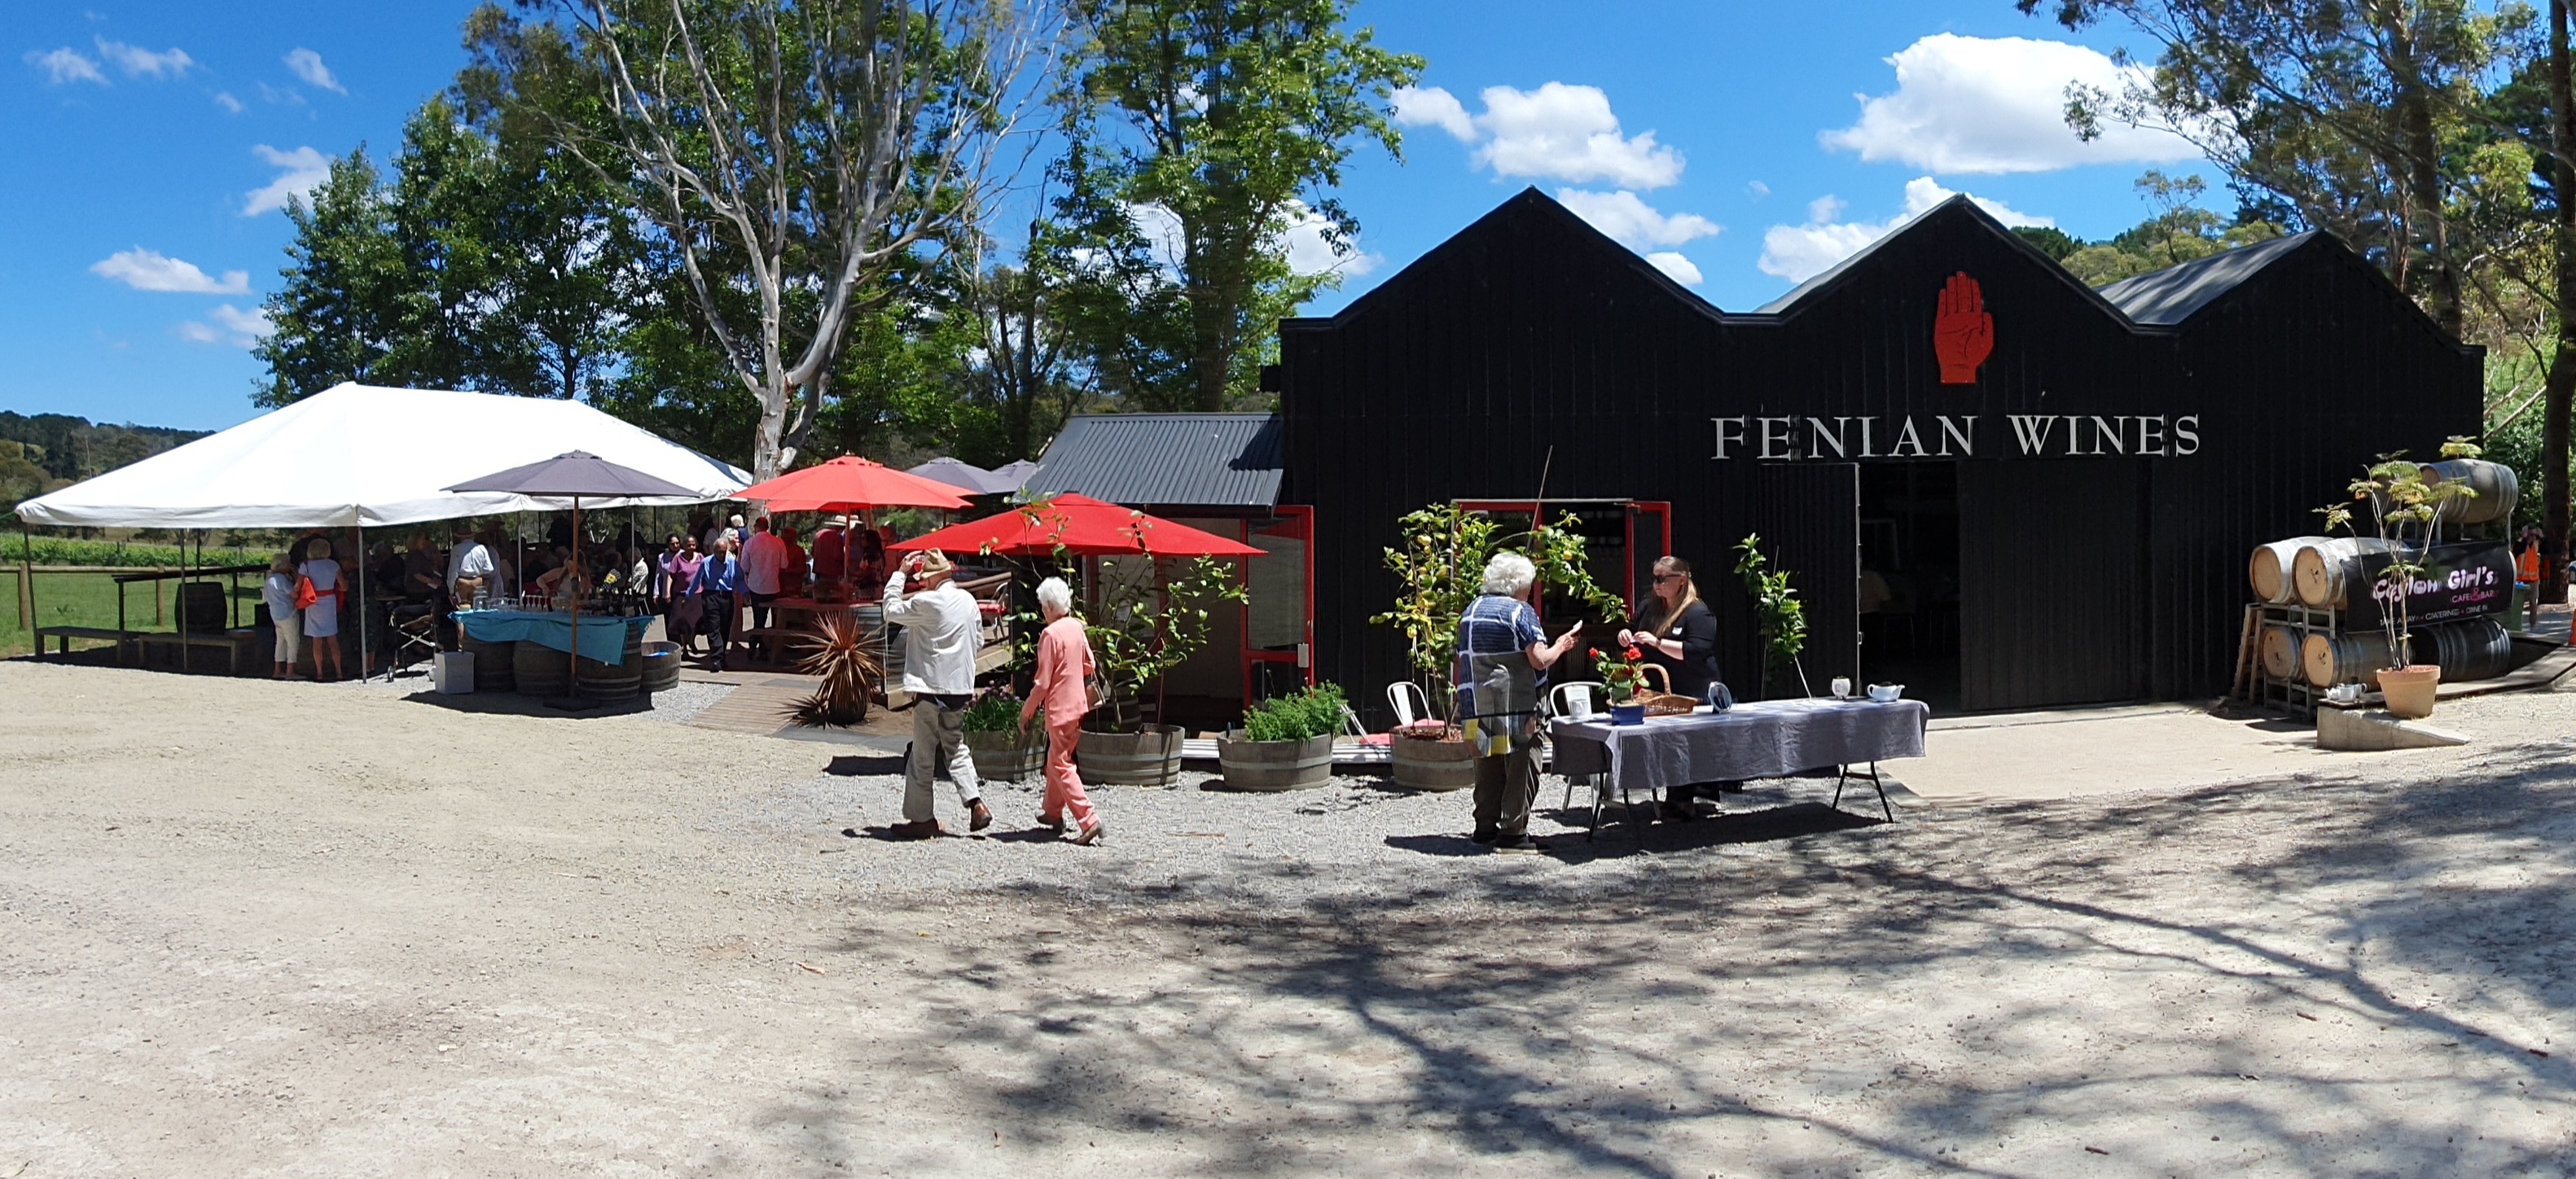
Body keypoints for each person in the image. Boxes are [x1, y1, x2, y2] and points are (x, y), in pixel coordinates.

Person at [1455, 551, 1583, 852]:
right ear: (1518, 584)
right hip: (1516, 703)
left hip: (1477, 700)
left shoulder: (1472, 610)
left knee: (1487, 765)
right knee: (1522, 766)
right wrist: (1562, 645)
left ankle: (1484, 827)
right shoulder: (1520, 611)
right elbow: (1540, 660)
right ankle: (1513, 833)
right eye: (1529, 585)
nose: (1531, 591)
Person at [884, 548, 992, 838]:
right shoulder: (968, 601)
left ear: (930, 579)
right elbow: (979, 641)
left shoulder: (927, 602)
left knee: (922, 755)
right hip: (959, 688)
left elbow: (890, 610)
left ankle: (922, 819)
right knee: (956, 747)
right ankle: (976, 803)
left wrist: (900, 574)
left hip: (929, 687)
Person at [1619, 555, 1726, 822]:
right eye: (1654, 578)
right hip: (1661, 690)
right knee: (1667, 744)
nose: (1656, 584)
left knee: (1686, 744)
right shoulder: (1649, 607)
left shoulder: (1697, 612)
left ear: (1681, 581)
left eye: (1662, 578)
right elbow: (1632, 631)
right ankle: (1675, 797)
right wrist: (1625, 635)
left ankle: (1683, 801)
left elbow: (1697, 650)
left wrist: (1656, 643)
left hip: (1692, 689)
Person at [1020, 576, 1102, 845]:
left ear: (1050, 607)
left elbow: (1042, 684)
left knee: (1060, 763)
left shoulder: (1050, 635)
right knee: (1057, 758)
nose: (1042, 610)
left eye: (1043, 606)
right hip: (1078, 705)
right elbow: (1090, 665)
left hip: (1059, 709)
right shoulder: (1077, 627)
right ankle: (1052, 812)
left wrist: (1026, 711)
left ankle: (1088, 820)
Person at [298, 537, 346, 682]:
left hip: (313, 602)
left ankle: (319, 673)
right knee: (333, 640)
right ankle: (339, 672)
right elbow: (344, 586)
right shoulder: (334, 565)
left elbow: (298, 586)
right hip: (329, 602)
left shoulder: (306, 565)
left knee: (317, 641)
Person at [691, 534, 741, 669]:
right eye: (719, 552)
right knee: (713, 627)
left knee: (725, 627)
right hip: (711, 595)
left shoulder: (732, 562)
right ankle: (716, 659)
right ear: (714, 551)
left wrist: (745, 592)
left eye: (724, 552)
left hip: (727, 597)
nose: (722, 555)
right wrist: (689, 595)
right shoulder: (706, 562)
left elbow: (740, 578)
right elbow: (697, 580)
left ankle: (721, 656)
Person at [739, 515, 787, 660]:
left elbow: (744, 566)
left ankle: (756, 645)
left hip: (756, 586)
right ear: (768, 527)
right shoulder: (778, 542)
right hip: (773, 586)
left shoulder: (750, 543)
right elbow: (784, 564)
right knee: (773, 618)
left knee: (758, 618)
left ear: (756, 527)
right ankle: (765, 646)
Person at [262, 553, 302, 680]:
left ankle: (277, 669)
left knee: (280, 642)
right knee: (292, 642)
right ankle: (290, 671)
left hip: (276, 615)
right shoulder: (282, 579)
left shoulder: (269, 579)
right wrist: (297, 576)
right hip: (288, 614)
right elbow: (294, 594)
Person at [665, 536, 705, 652]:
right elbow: (671, 576)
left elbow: (706, 574)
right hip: (681, 594)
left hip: (696, 594)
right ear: (684, 546)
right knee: (682, 622)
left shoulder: (700, 558)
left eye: (693, 545)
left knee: (695, 622)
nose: (691, 547)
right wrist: (667, 592)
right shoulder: (678, 558)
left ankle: (691, 641)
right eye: (688, 545)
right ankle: (685, 648)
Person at [448, 526, 494, 607]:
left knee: (463, 608)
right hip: (478, 582)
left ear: (460, 538)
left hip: (463, 583)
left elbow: (454, 572)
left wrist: (451, 591)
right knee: (478, 608)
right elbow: (489, 569)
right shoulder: (481, 548)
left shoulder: (456, 549)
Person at [811, 516, 849, 601]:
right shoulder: (837, 537)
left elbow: (813, 552)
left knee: (820, 597)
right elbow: (838, 555)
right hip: (832, 572)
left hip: (818, 571)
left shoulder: (818, 534)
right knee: (833, 598)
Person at [2517, 524, 2545, 628]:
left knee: (2533, 603)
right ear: (2527, 533)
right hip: (2520, 580)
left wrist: (2542, 537)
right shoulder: (2520, 543)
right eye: (2531, 534)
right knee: (2518, 604)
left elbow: (2547, 550)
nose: (2533, 537)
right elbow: (2519, 549)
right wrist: (2524, 537)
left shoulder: (2536, 544)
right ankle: (2517, 624)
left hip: (2533, 580)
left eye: (2535, 535)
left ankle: (2533, 623)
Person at [777, 525, 807, 598]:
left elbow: (802, 569)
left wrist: (787, 571)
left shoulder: (798, 551)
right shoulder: (778, 548)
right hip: (779, 587)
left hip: (792, 586)